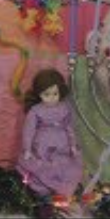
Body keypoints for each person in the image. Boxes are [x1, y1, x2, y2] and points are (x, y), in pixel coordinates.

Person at [16, 69, 82, 197]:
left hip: (63, 145)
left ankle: (61, 189)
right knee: (43, 167)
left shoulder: (64, 108)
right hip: (42, 145)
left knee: (64, 166)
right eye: (47, 94)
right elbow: (28, 131)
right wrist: (27, 149)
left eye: (55, 94)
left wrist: (73, 145)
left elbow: (70, 128)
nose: (51, 98)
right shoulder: (36, 110)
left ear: (60, 92)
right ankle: (43, 190)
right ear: (39, 94)